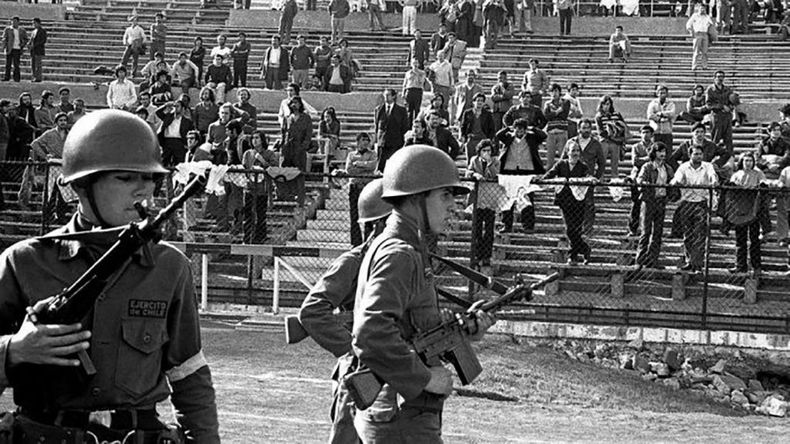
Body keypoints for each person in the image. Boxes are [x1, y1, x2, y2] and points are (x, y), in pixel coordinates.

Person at [0, 109, 220, 443]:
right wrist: (14, 349)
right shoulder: (25, 261)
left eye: (148, 179)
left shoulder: (169, 267)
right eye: (125, 178)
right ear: (82, 185)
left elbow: (190, 374)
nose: (142, 191)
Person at [351, 144, 495, 442]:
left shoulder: (407, 249)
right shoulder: (400, 254)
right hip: (402, 416)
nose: (452, 205)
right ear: (417, 198)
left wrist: (464, 331)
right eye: (444, 195)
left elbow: (410, 329)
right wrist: (425, 377)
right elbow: (371, 332)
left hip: (404, 412)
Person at [298, 178, 392, 444]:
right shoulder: (354, 262)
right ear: (378, 225)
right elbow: (312, 312)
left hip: (393, 370)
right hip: (360, 373)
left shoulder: (401, 263)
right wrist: (352, 348)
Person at [671, 144, 719, 272]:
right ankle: (689, 261)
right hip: (687, 202)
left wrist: (714, 181)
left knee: (699, 234)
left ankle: (697, 264)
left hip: (701, 203)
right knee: (688, 234)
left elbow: (712, 176)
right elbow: (677, 179)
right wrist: (677, 183)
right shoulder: (684, 167)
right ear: (690, 155)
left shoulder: (707, 166)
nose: (698, 156)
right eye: (695, 154)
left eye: (700, 154)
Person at [543, 140, 593, 264]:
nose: (575, 153)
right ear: (567, 152)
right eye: (573, 150)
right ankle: (585, 249)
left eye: (577, 150)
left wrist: (590, 179)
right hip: (565, 201)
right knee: (569, 229)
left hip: (578, 202)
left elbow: (587, 176)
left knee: (576, 229)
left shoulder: (583, 166)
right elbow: (550, 174)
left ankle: (573, 256)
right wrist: (541, 179)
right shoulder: (561, 164)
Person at [497, 118, 546, 233]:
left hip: (526, 171)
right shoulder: (509, 137)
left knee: (527, 199)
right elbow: (498, 135)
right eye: (517, 129)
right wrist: (508, 128)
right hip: (509, 171)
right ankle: (507, 225)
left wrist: (531, 128)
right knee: (507, 199)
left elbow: (543, 135)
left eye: (522, 129)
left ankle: (528, 226)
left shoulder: (531, 138)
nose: (519, 131)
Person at [562, 118, 604, 237]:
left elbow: (601, 162)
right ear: (579, 129)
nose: (586, 130)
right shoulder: (571, 142)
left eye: (588, 128)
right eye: (583, 128)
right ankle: (572, 230)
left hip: (587, 179)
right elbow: (563, 159)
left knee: (588, 205)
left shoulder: (596, 144)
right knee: (570, 205)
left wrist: (596, 177)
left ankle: (587, 230)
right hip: (572, 179)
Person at [635, 142, 674, 269]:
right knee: (646, 231)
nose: (662, 154)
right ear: (654, 153)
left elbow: (672, 181)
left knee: (658, 232)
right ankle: (640, 260)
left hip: (661, 200)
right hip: (649, 200)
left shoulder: (667, 168)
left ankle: (653, 260)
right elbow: (639, 179)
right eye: (659, 151)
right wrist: (645, 183)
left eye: (664, 152)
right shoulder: (648, 166)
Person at [725, 152, 765, 274]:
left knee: (754, 239)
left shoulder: (758, 173)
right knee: (740, 240)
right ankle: (740, 265)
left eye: (750, 161)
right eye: (746, 160)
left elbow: (764, 181)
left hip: (753, 210)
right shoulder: (737, 174)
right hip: (740, 210)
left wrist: (762, 184)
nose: (748, 163)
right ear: (742, 162)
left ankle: (756, 266)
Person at [467, 139, 500, 266]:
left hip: (490, 198)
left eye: (489, 151)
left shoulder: (495, 161)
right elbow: (468, 172)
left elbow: (496, 175)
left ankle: (487, 255)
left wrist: (490, 163)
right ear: (479, 152)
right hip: (478, 198)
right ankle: (477, 254)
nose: (487, 153)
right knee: (477, 228)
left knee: (489, 228)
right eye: (484, 151)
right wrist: (475, 174)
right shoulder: (474, 160)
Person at [241, 130, 277, 243]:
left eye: (257, 138)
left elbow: (274, 169)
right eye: (253, 138)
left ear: (262, 140)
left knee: (261, 215)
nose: (254, 140)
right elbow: (243, 168)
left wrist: (263, 161)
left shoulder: (269, 154)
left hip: (262, 189)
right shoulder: (247, 154)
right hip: (249, 188)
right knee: (248, 215)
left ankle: (260, 238)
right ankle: (247, 238)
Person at [345, 132, 379, 246]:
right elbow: (350, 170)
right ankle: (356, 242)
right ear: (358, 141)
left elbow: (373, 166)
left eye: (368, 140)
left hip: (367, 188)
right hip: (355, 187)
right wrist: (365, 167)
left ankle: (368, 241)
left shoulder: (372, 154)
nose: (366, 142)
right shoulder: (351, 155)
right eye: (363, 140)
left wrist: (359, 163)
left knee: (368, 216)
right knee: (354, 216)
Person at [282, 96, 313, 205]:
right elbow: (284, 133)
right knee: (288, 172)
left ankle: (300, 199)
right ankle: (288, 197)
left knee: (299, 173)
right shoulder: (288, 118)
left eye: (296, 102)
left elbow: (309, 134)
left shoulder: (306, 118)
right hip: (288, 148)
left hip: (300, 149)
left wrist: (304, 146)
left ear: (300, 104)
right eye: (292, 103)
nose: (294, 105)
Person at [628, 125, 655, 236]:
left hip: (651, 178)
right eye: (643, 132)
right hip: (636, 177)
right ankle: (633, 229)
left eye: (648, 132)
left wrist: (643, 159)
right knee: (635, 204)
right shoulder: (636, 146)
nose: (645, 134)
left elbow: (656, 161)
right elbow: (635, 162)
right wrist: (648, 158)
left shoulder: (655, 146)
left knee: (650, 206)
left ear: (652, 134)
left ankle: (648, 229)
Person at [373, 89, 409, 172]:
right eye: (385, 95)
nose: (386, 97)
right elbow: (377, 125)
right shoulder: (379, 109)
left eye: (388, 95)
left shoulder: (401, 110)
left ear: (394, 96)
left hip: (395, 142)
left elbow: (404, 127)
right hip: (382, 142)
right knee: (380, 167)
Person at [594, 94, 627, 179]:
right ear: (601, 105)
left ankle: (615, 182)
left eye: (608, 104)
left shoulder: (617, 114)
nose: (606, 106)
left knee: (615, 164)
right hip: (604, 142)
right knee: (601, 163)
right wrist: (611, 134)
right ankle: (600, 181)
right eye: (604, 104)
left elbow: (623, 126)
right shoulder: (599, 116)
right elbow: (600, 131)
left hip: (615, 142)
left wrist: (617, 133)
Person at [156, 96, 194, 168]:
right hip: (167, 142)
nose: (175, 108)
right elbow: (158, 112)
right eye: (174, 106)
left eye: (178, 106)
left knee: (179, 164)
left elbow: (190, 132)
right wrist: (166, 105)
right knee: (163, 162)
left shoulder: (187, 122)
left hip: (179, 142)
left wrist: (186, 144)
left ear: (183, 109)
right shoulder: (168, 117)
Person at [706, 70, 735, 154]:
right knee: (715, 138)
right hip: (716, 117)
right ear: (714, 78)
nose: (720, 79)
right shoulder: (710, 90)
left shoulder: (727, 89)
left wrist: (730, 107)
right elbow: (708, 105)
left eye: (722, 77)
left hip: (727, 117)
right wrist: (721, 106)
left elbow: (733, 102)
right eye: (718, 77)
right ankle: (712, 157)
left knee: (728, 139)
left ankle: (730, 157)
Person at [460, 92, 496, 160]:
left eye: (481, 101)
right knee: (470, 160)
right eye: (478, 100)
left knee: (483, 159)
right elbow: (463, 126)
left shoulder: (487, 114)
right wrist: (463, 137)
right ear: (474, 102)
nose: (479, 102)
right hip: (471, 139)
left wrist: (489, 139)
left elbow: (492, 128)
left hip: (483, 139)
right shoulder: (467, 113)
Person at [543, 83, 570, 169]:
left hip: (562, 132)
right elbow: (547, 117)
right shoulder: (547, 104)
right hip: (551, 133)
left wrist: (553, 114)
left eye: (555, 91)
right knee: (550, 158)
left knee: (563, 157)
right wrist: (558, 111)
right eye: (551, 91)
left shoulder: (565, 102)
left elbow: (564, 115)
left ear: (559, 92)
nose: (554, 94)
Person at [646, 85, 676, 151]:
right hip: (656, 131)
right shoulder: (652, 103)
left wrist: (661, 114)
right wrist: (660, 119)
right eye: (660, 93)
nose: (662, 95)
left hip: (667, 131)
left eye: (664, 93)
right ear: (657, 93)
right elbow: (650, 115)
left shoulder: (671, 104)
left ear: (667, 94)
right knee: (655, 150)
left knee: (668, 151)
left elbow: (672, 113)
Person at [686, 3, 715, 71]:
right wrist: (691, 32)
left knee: (705, 52)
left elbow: (711, 25)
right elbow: (688, 25)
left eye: (704, 9)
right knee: (696, 51)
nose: (702, 10)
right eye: (701, 8)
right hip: (697, 34)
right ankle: (694, 66)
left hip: (705, 34)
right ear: (699, 9)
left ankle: (704, 66)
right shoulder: (695, 16)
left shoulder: (707, 17)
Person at [3, 17, 28, 83]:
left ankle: (16, 78)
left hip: (17, 49)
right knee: (8, 64)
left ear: (18, 22)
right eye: (12, 21)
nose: (13, 23)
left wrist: (22, 44)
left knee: (16, 64)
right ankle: (6, 77)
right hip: (10, 48)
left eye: (15, 21)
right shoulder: (8, 29)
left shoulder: (22, 30)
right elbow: (4, 38)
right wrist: (4, 46)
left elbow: (26, 39)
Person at [29, 18, 46, 83]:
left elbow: (43, 40)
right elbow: (31, 40)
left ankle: (38, 77)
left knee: (38, 65)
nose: (33, 24)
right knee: (33, 64)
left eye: (34, 23)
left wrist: (35, 45)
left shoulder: (42, 31)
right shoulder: (33, 31)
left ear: (38, 23)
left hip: (38, 50)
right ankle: (34, 76)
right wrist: (29, 44)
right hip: (33, 51)